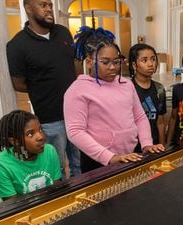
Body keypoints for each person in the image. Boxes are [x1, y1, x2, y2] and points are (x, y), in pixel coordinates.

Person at [64, 26, 165, 173]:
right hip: (97, 161)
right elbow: (75, 131)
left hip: (130, 155)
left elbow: (140, 116)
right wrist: (109, 157)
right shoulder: (78, 90)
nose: (113, 67)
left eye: (116, 62)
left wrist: (147, 144)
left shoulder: (126, 84)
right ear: (89, 62)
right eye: (105, 62)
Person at [6, 0, 80, 178]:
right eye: (43, 5)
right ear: (29, 9)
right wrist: (45, 90)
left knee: (80, 163)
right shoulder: (17, 45)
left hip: (77, 114)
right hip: (50, 119)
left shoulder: (63, 32)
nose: (49, 9)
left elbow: (72, 66)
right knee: (57, 168)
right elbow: (18, 83)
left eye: (50, 5)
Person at [0, 110, 62, 200]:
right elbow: (13, 206)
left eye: (40, 129)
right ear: (14, 141)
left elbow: (57, 191)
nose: (40, 137)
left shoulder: (49, 151)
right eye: (30, 134)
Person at [128, 43, 167, 146]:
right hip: (132, 146)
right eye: (144, 60)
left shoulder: (159, 89)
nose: (150, 64)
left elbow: (160, 122)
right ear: (134, 65)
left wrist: (162, 146)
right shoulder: (127, 88)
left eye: (153, 59)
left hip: (153, 145)